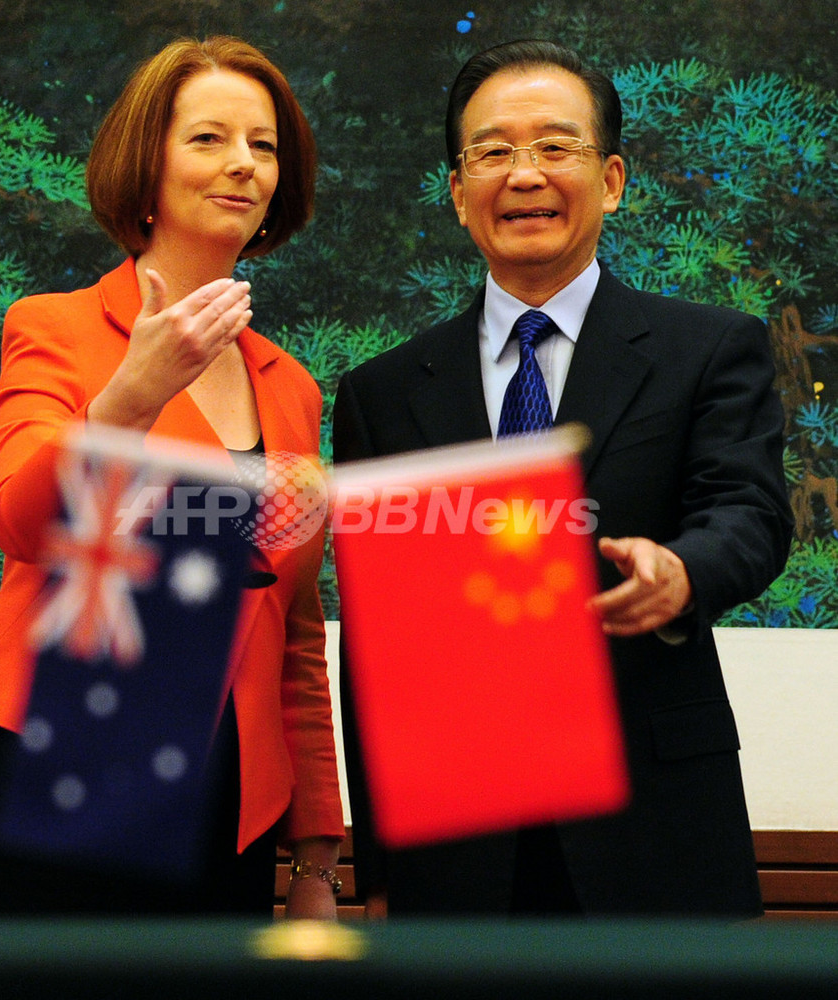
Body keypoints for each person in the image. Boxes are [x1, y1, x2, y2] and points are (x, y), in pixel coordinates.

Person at [333, 39, 793, 917]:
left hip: (652, 824)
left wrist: (682, 570)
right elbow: (379, 642)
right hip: (457, 845)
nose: (524, 174)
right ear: (458, 190)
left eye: (555, 146)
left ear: (612, 179)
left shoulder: (706, 350)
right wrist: (380, 867)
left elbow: (748, 511)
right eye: (492, 151)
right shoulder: (384, 394)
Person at [0, 36, 344, 918]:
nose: (241, 164)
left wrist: (315, 857)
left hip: (220, 810)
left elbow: (295, 637)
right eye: (207, 139)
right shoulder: (56, 329)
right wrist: (130, 399)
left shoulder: (293, 388)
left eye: (263, 145)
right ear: (143, 165)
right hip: (48, 775)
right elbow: (20, 520)